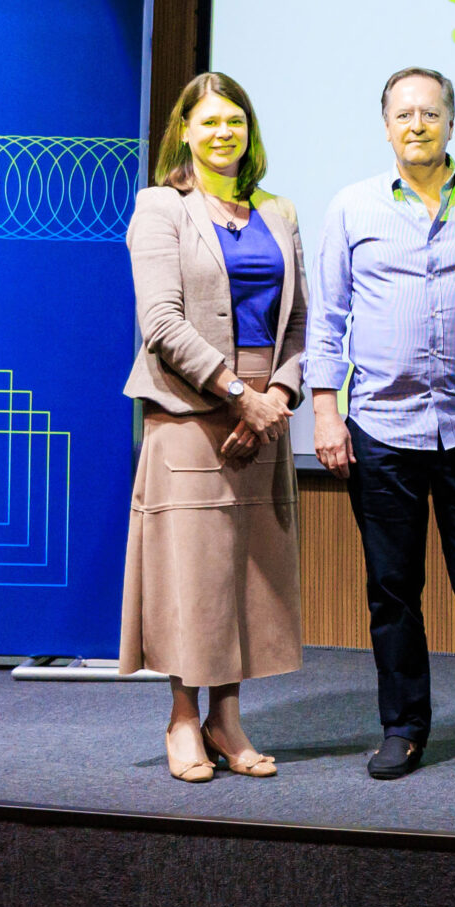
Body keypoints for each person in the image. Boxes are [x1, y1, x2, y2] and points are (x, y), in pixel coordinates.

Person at [307, 66, 455, 780]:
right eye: (404, 114)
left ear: (450, 122)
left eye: (430, 113)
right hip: (380, 429)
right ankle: (403, 727)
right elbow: (329, 315)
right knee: (392, 591)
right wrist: (325, 409)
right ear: (385, 125)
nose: (417, 124)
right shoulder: (351, 207)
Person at [119, 71, 306, 783]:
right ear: (186, 132)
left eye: (236, 120)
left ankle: (228, 718)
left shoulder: (279, 211)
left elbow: (301, 321)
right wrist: (238, 395)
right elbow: (161, 323)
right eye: (210, 121)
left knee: (246, 576)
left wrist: (279, 393)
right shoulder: (161, 207)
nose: (225, 132)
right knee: (191, 579)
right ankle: (183, 718)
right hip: (193, 413)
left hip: (267, 413)